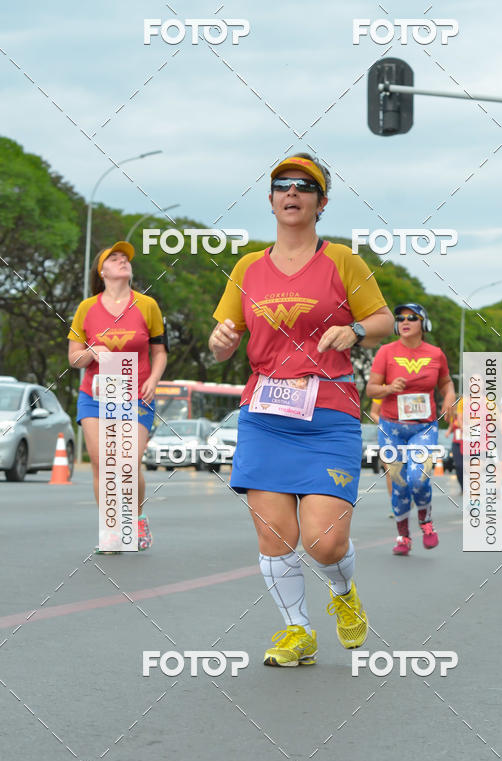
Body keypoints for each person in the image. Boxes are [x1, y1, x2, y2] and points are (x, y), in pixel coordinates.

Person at [209, 153, 394, 667]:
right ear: (270, 200)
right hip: (265, 411)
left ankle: (343, 592)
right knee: (275, 535)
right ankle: (298, 631)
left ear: (321, 202)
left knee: (325, 541)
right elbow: (223, 342)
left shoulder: (343, 261)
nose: (292, 193)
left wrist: (355, 329)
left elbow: (381, 319)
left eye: (304, 186)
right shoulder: (247, 267)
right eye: (282, 185)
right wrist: (222, 339)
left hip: (328, 409)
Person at [68, 241, 167, 552]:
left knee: (126, 462)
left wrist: (154, 378)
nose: (123, 261)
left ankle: (136, 518)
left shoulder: (147, 305)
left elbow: (160, 351)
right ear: (103, 270)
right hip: (95, 396)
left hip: (136, 395)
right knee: (101, 463)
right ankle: (111, 530)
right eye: (115, 258)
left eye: (126, 258)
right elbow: (73, 359)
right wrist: (91, 352)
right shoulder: (86, 308)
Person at [365, 303, 455, 556]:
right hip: (391, 427)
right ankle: (403, 536)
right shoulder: (385, 352)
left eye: (412, 318)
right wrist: (388, 388)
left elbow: (446, 383)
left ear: (423, 324)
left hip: (423, 428)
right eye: (401, 318)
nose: (405, 321)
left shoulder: (436, 354)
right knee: (400, 482)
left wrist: (449, 397)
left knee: (418, 477)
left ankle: (425, 521)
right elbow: (371, 389)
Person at [446, 396, 464, 492]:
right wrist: (448, 432)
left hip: (469, 442)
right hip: (456, 443)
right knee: (458, 465)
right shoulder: (455, 417)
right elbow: (451, 426)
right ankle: (462, 486)